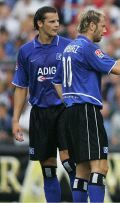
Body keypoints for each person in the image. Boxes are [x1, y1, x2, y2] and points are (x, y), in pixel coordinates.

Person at [53, 9, 120, 202]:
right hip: (86, 111)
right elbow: (118, 68)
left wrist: (68, 99)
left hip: (72, 111)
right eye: (103, 26)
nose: (105, 31)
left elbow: (56, 81)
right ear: (91, 25)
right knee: (100, 167)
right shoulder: (87, 47)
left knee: (82, 169)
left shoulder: (69, 48)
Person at [11, 6, 76, 202]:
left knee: (69, 162)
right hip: (40, 114)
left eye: (58, 21)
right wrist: (15, 120)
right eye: (52, 21)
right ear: (40, 23)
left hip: (65, 110)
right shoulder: (26, 51)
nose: (57, 24)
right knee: (48, 170)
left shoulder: (68, 46)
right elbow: (21, 87)